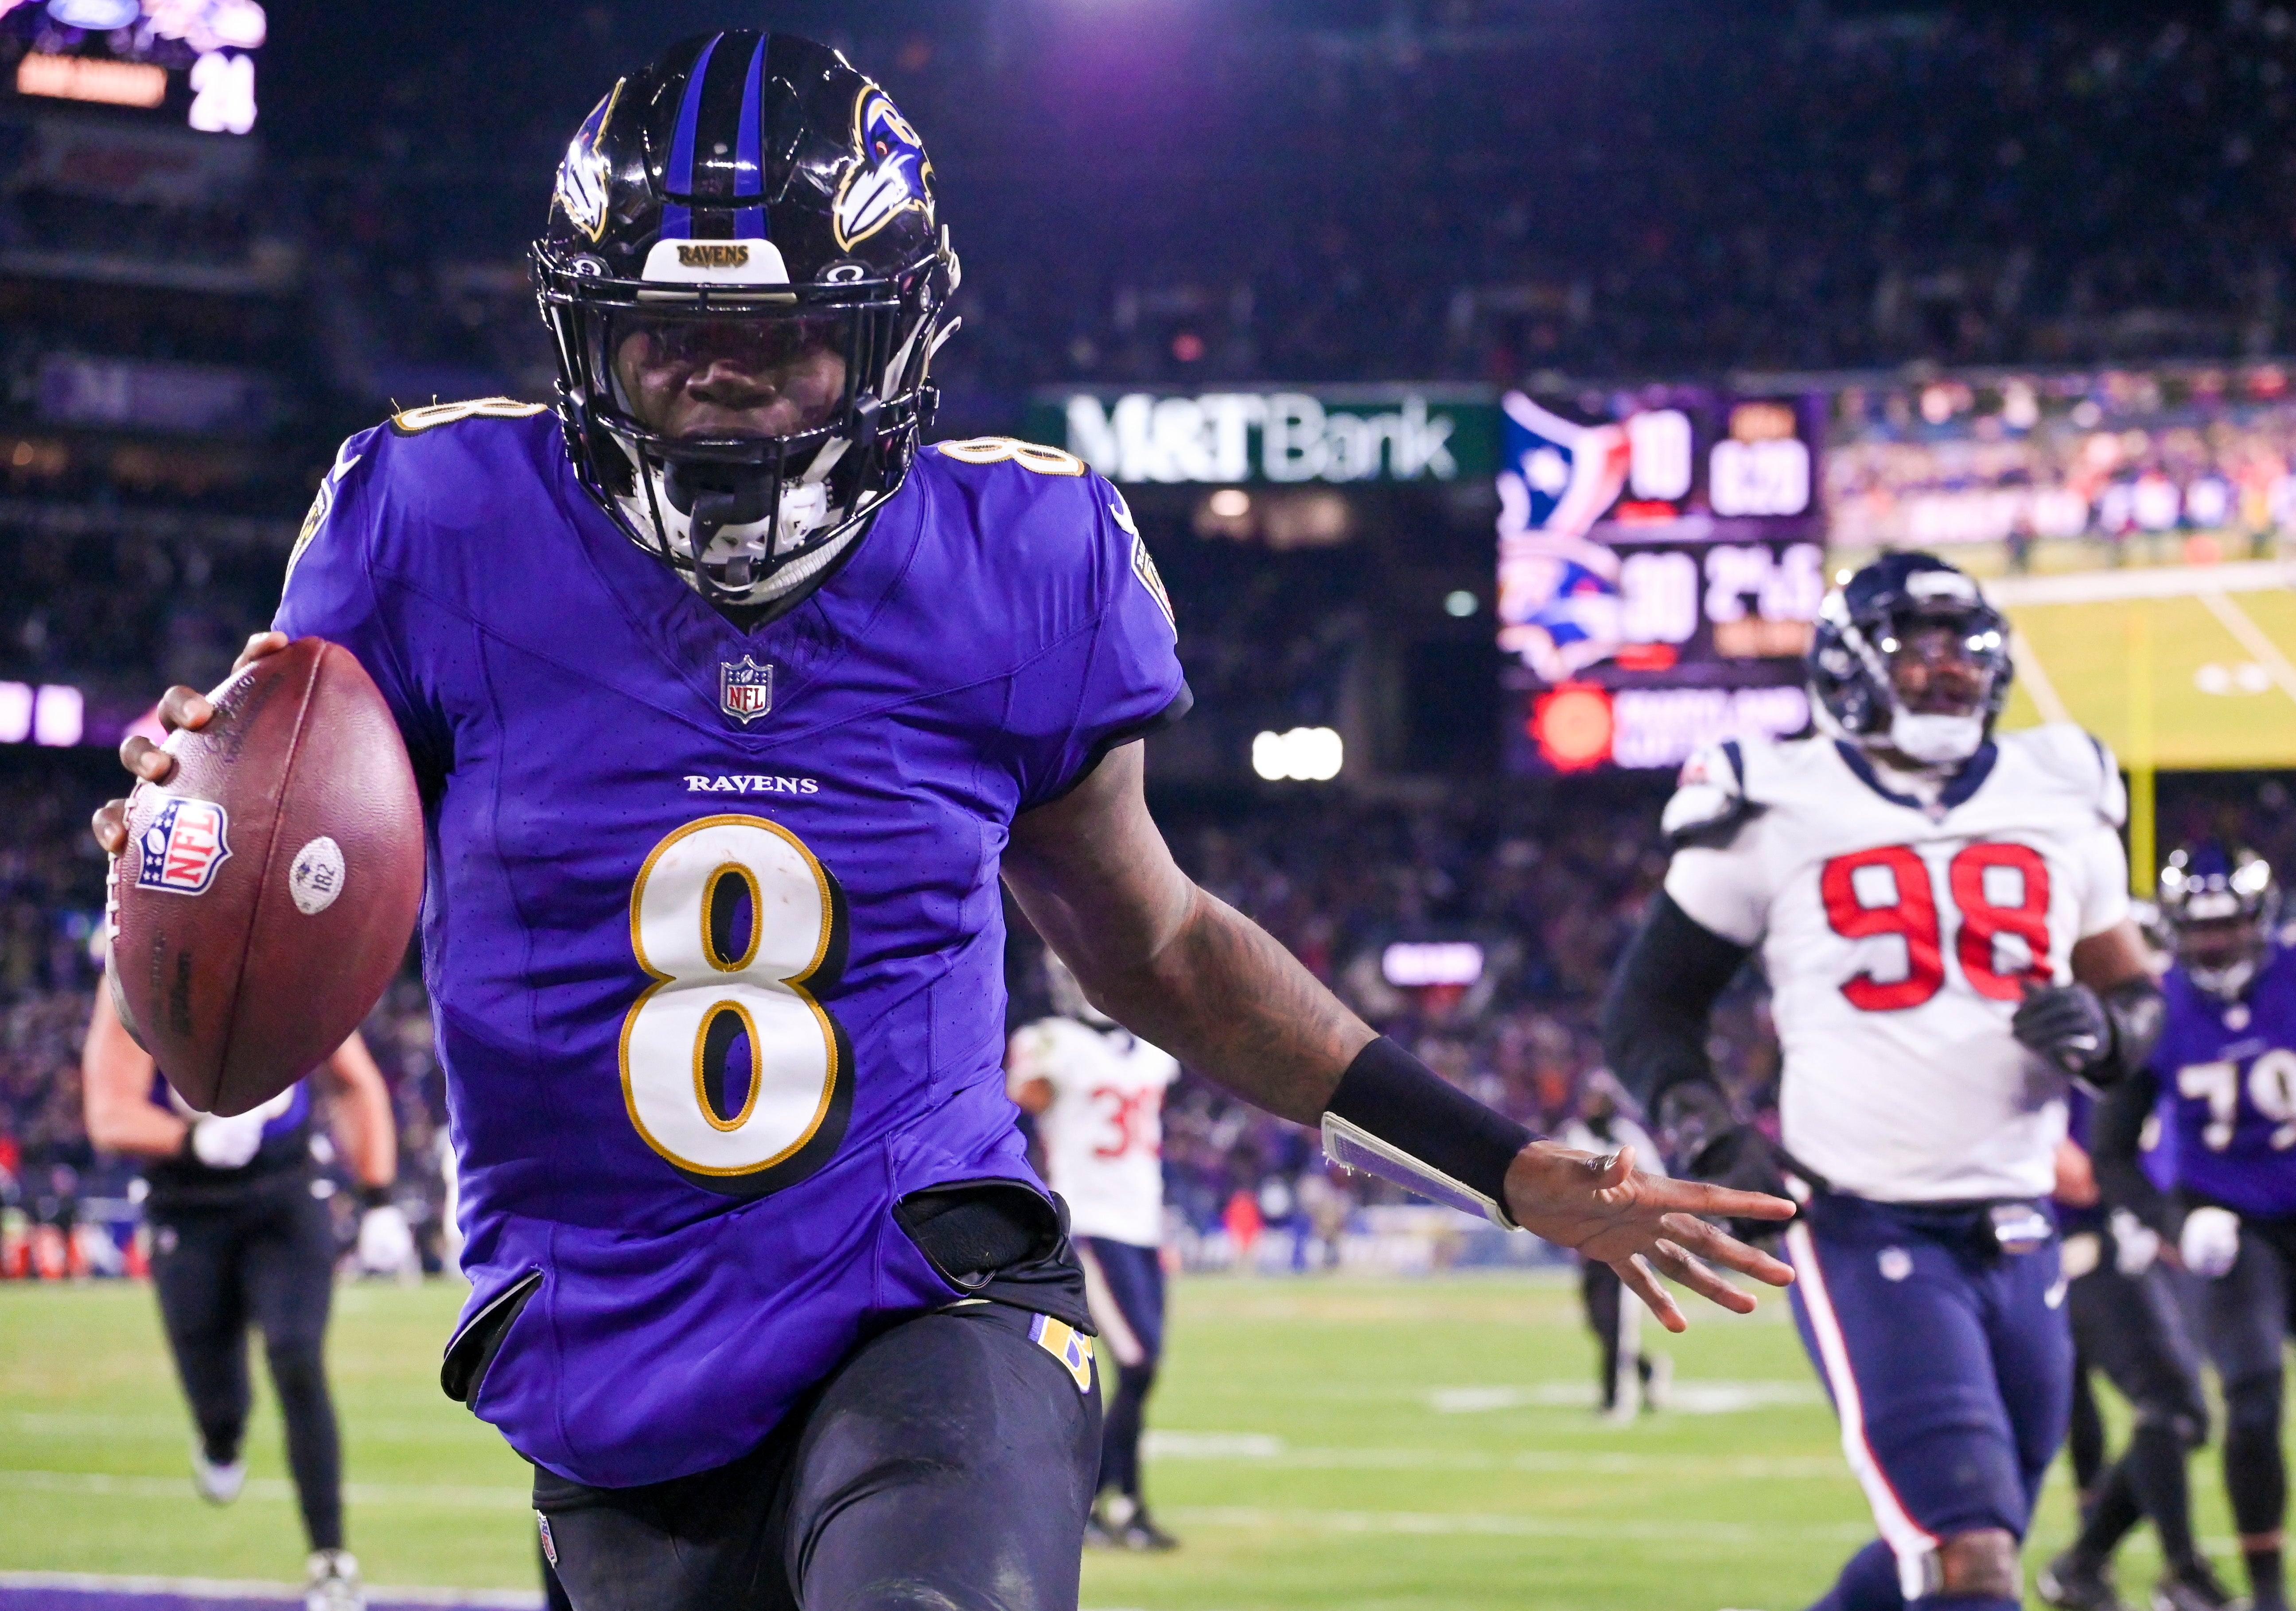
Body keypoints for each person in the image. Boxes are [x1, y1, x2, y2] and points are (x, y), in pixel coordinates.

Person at [93, 33, 1794, 1611]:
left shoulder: (1020, 555)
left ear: (894, 329)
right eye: (663, 337)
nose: (715, 386)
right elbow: (273, 848)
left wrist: (1495, 1159)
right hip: (601, 1345)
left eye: (777, 339)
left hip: (921, 1281)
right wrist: (190, 829)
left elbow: (1167, 947)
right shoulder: (431, 523)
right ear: (579, 332)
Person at [1600, 552, 2167, 1611]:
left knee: (1943, 1545)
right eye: (1921, 644)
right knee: (1972, 1559)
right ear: (1854, 662)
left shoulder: (2061, 786)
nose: (1951, 669)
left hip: (2021, 1217)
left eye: (1969, 646)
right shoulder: (1774, 796)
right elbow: (1648, 1007)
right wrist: (1709, 1129)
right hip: (1866, 1220)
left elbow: (2137, 1002)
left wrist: (2104, 1030)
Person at [2095, 845, 2296, 1611]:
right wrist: (2172, 1220)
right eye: (2198, 930)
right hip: (2231, 1228)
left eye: (2228, 926)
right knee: (2250, 1397)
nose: (2212, 944)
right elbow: (2111, 1149)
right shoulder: (2159, 1005)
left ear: (2261, 921)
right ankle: (2268, 1594)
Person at [81, 984, 407, 1611]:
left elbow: (355, 1081)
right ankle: (220, 1436)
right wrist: (188, 1141)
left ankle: (331, 1561)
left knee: (296, 1357)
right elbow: (109, 1112)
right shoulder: (141, 963)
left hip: (284, 1191)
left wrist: (379, 1198)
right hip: (188, 1205)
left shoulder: (297, 954)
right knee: (220, 1403)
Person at [1007, 951, 1181, 1550]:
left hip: (1142, 1227)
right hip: (1089, 1224)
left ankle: (1108, 1502)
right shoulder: (1051, 1041)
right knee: (1136, 1364)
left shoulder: (1153, 1051)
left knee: (1141, 1370)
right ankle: (1117, 1502)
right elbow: (1020, 1094)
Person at [2035, 1091, 2230, 1611]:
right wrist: (2134, 1190)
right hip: (2081, 1250)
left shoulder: (2158, 1047)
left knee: (2179, 1411)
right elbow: (2076, 1176)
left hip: (2136, 1248)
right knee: (2171, 1403)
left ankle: (2083, 1563)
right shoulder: (2071, 1050)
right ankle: (2179, 1571)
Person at [1557, 1078, 1671, 1424]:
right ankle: (1648, 1370)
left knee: (1619, 1325)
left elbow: (1656, 1179)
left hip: (1623, 1241)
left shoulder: (1628, 1135)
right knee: (1598, 1323)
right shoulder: (1572, 1134)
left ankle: (1615, 1401)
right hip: (1588, 1244)